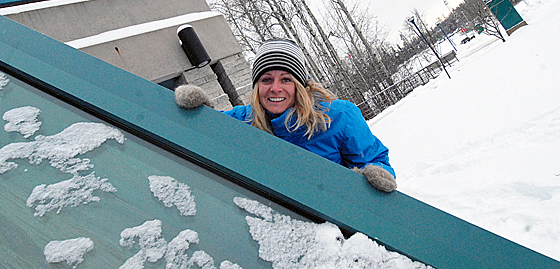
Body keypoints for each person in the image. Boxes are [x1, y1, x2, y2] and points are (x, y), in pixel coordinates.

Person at [175, 39, 397, 192]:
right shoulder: (244, 119)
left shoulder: (340, 115)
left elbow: (374, 160)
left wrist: (372, 177)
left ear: (300, 85)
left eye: (286, 79)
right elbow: (210, 128)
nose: (275, 88)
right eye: (266, 80)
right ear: (256, 87)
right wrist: (200, 109)